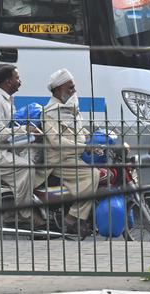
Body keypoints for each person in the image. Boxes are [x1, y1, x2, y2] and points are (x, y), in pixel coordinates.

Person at [0, 64, 43, 226]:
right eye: (17, 78)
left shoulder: (6, 98)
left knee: (36, 145)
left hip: (5, 146)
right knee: (26, 167)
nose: (20, 81)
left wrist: (31, 135)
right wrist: (25, 129)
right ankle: (24, 212)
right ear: (8, 82)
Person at [42, 69, 97, 237]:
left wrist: (92, 136)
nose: (74, 91)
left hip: (74, 156)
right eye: (70, 88)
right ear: (58, 90)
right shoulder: (50, 113)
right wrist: (83, 146)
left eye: (74, 87)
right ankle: (73, 217)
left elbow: (79, 129)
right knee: (93, 175)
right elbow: (57, 142)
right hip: (59, 160)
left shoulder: (71, 106)